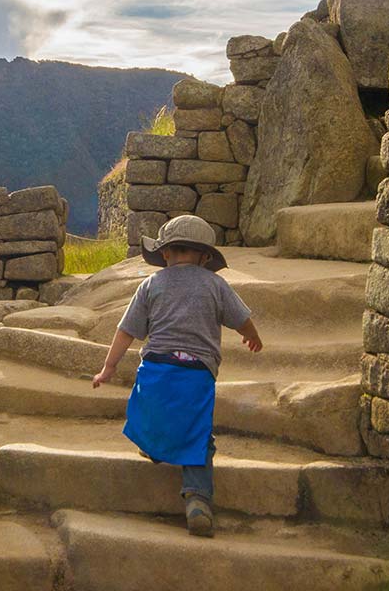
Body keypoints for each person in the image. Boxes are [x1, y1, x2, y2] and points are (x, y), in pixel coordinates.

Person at [92, 215, 262, 537]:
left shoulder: (151, 284)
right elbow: (242, 319)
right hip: (196, 373)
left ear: (165, 254)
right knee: (198, 437)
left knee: (148, 411)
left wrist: (109, 367)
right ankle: (198, 500)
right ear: (205, 258)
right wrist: (253, 337)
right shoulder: (216, 284)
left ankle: (155, 446)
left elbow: (126, 331)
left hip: (155, 368)